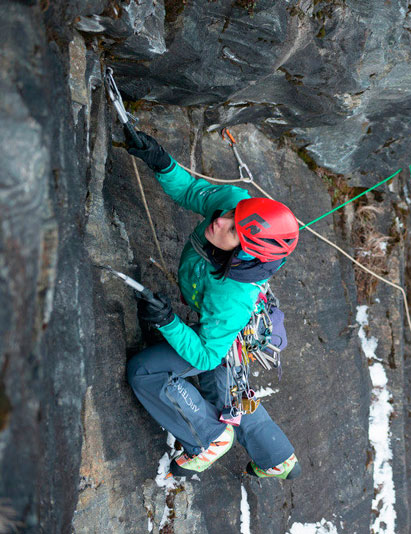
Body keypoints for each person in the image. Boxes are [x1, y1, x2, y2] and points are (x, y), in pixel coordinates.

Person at [124, 131, 301, 480]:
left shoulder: (232, 295)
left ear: (244, 253)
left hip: (225, 332)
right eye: (231, 215)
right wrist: (161, 162)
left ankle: (209, 439)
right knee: (224, 393)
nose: (220, 221)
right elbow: (191, 192)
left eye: (233, 230)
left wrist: (168, 321)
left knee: (149, 372)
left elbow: (206, 354)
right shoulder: (235, 204)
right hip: (221, 326)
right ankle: (276, 457)